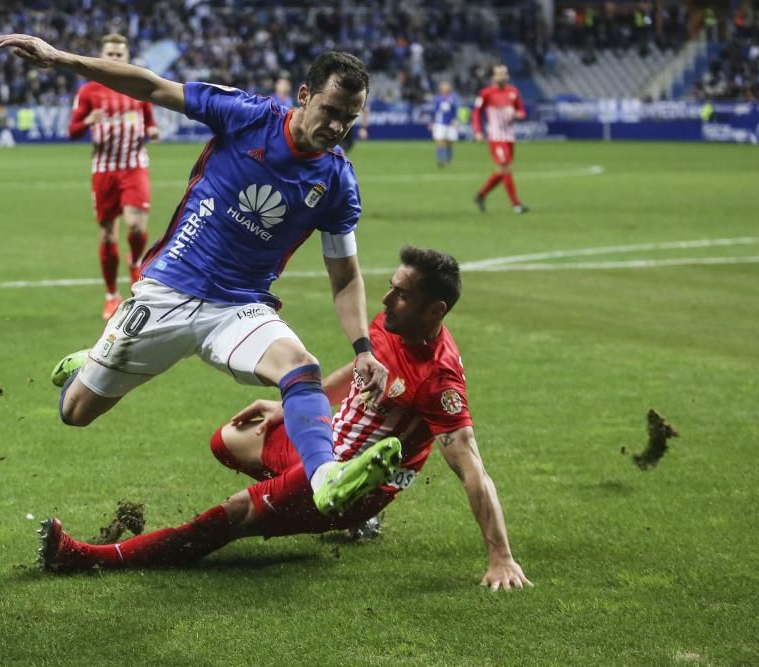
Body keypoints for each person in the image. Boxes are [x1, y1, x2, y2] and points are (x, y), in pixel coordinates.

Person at [0, 34, 397, 515]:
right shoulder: (248, 115)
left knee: (300, 366)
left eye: (348, 118)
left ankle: (325, 476)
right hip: (168, 289)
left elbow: (345, 277)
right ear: (305, 95)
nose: (336, 126)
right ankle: (91, 360)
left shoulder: (336, 183)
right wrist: (60, 58)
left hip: (239, 306)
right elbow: (152, 87)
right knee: (76, 412)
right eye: (330, 110)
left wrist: (362, 349)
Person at [38, 246, 533, 591]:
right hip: (326, 445)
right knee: (228, 440)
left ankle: (86, 557)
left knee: (232, 515)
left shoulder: (439, 379)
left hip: (353, 483)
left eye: (401, 294)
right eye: (390, 287)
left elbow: (471, 466)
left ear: (435, 310)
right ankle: (306, 494)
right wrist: (285, 405)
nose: (384, 301)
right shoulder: (390, 324)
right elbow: (355, 372)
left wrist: (500, 556)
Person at [69, 34, 160, 320]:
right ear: (101, 55)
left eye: (120, 55)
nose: (115, 59)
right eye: (110, 54)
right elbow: (72, 132)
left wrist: (153, 131)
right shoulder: (88, 92)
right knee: (108, 233)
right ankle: (111, 295)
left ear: (127, 57)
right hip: (104, 169)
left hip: (134, 165)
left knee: (135, 225)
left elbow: (149, 122)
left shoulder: (139, 87)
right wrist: (87, 121)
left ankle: (135, 262)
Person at [471, 65, 528, 214]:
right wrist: (477, 131)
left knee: (504, 171)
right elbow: (476, 113)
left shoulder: (513, 92)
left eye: (505, 74)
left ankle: (481, 195)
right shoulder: (486, 93)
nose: (502, 76)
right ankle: (516, 205)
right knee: (506, 168)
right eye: (499, 74)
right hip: (496, 137)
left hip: (509, 137)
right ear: (493, 77)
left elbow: (521, 111)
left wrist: (518, 114)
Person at [430, 80, 460, 168]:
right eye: (443, 87)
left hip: (451, 123)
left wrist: (456, 119)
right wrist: (432, 123)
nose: (445, 88)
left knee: (449, 142)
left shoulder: (454, 97)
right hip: (440, 123)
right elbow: (434, 111)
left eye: (446, 86)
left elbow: (457, 109)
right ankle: (440, 160)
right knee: (440, 141)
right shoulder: (437, 98)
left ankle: (448, 159)